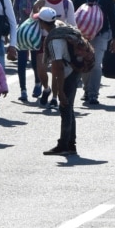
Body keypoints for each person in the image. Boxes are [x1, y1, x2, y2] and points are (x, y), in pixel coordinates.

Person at [72, 0, 115, 107]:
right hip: (82, 36)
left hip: (101, 34)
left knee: (96, 64)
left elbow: (112, 18)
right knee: (84, 63)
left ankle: (94, 94)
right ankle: (87, 90)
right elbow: (73, 16)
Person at [36, 8, 80, 156]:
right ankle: (70, 144)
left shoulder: (54, 40)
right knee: (69, 109)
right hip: (75, 69)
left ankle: (64, 145)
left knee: (65, 108)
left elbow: (59, 68)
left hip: (68, 73)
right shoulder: (60, 25)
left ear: (43, 23)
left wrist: (60, 92)